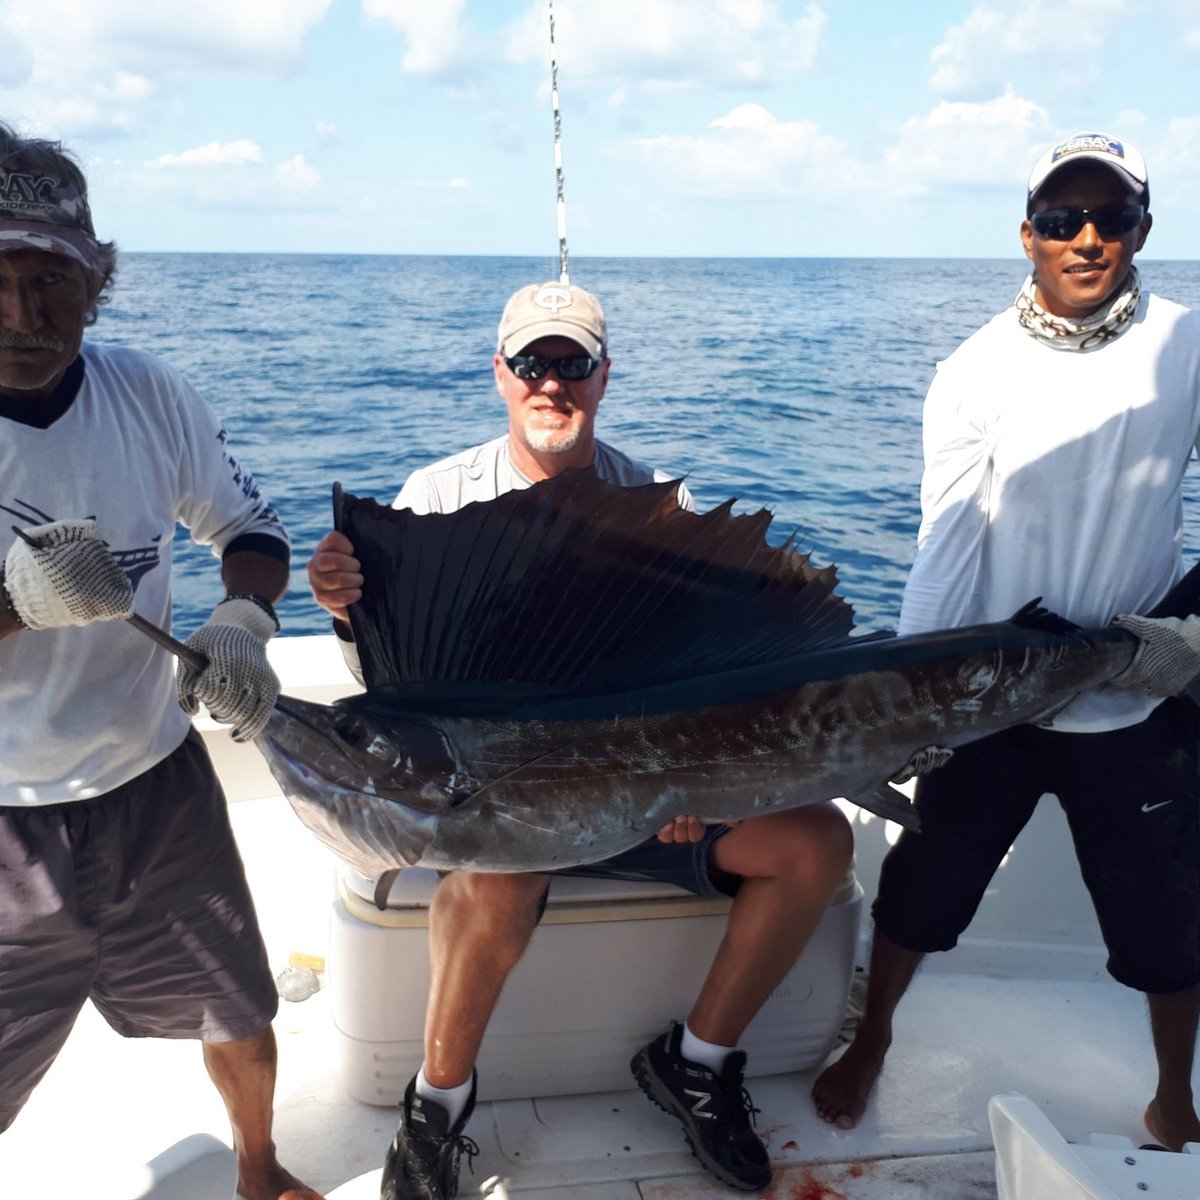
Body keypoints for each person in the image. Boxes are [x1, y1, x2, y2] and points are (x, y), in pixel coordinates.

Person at [308, 280, 854, 1197]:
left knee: (817, 842)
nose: (550, 384)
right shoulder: (436, 496)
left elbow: (698, 694)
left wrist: (686, 786)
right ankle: (438, 1105)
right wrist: (341, 612)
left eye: (573, 365)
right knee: (496, 868)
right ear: (500, 374)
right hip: (501, 808)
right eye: (532, 364)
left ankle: (698, 1059)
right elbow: (396, 710)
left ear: (604, 377)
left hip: (646, 798)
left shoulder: (654, 515)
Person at [811, 131, 1200, 1151]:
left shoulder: (1184, 344)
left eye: (1110, 218)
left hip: (1136, 680)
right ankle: (874, 1040)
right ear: (1026, 235)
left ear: (1142, 230)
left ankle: (1173, 1090)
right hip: (993, 689)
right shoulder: (975, 368)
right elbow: (945, 544)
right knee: (926, 884)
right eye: (1063, 218)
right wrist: (912, 701)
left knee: (1166, 910)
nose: (1087, 237)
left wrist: (1188, 632)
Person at [0, 122, 320, 1200]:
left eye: (51, 281)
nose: (20, 315)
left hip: (158, 785)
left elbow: (255, 531)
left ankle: (262, 1173)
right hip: (6, 823)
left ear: (97, 284)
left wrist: (244, 621)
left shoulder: (148, 395)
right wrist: (15, 606)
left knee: (242, 1013)